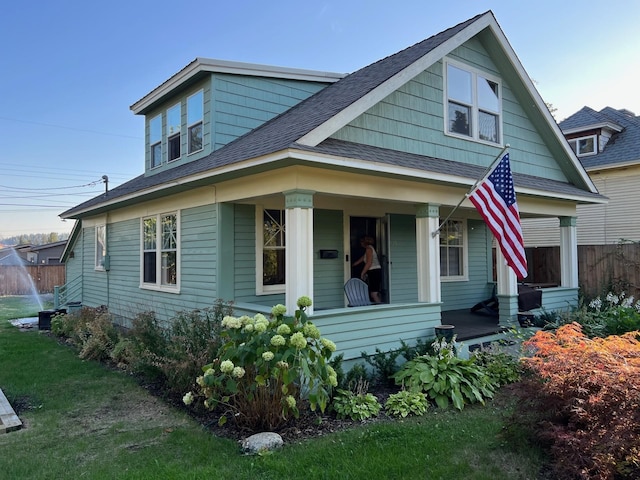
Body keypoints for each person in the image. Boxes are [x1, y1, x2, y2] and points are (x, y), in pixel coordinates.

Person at [352, 236, 382, 303]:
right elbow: (363, 258)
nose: (360, 243)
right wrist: (354, 264)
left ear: (365, 242)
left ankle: (381, 308)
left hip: (374, 272)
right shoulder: (369, 249)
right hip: (374, 271)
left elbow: (369, 263)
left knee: (373, 294)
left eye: (361, 242)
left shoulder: (369, 249)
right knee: (374, 293)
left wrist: (362, 273)